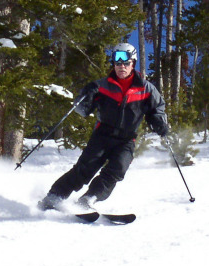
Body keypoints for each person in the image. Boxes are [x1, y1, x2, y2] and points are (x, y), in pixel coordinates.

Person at [38, 43, 168, 211]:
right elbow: (81, 110)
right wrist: (87, 97)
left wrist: (159, 122)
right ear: (113, 64)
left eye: (126, 63)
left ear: (133, 64)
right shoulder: (100, 86)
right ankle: (54, 197)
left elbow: (157, 108)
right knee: (84, 169)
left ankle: (89, 198)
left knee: (117, 170)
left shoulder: (146, 89)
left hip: (126, 139)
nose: (122, 67)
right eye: (117, 63)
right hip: (102, 136)